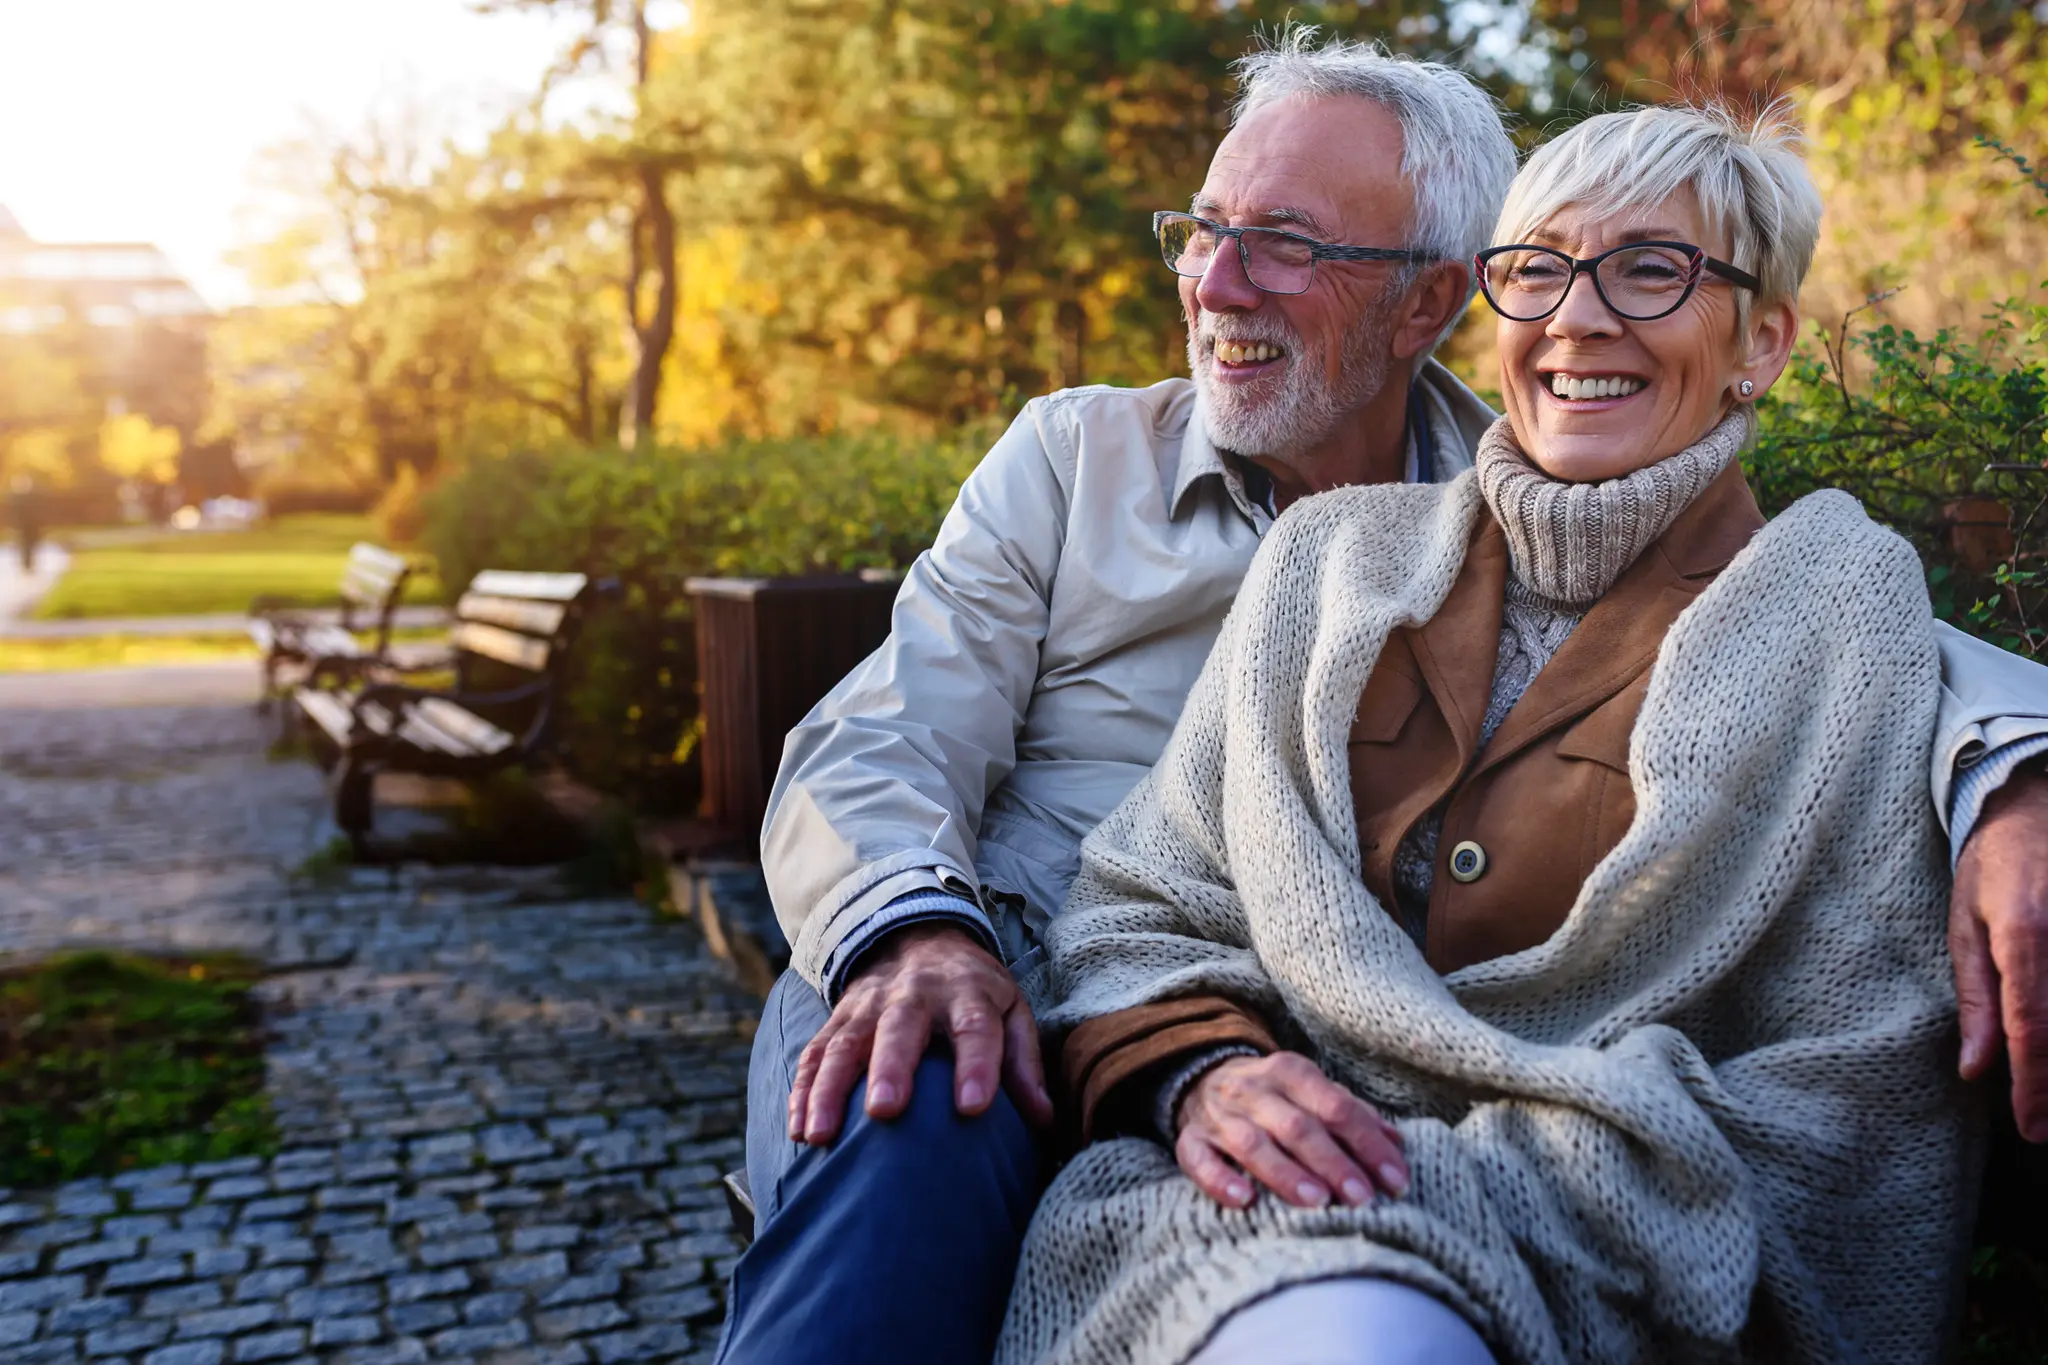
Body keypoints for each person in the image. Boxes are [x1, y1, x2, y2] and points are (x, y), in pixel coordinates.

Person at [717, 31, 2048, 1365]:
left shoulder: (1532, 488)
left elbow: (1837, 624)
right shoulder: (1080, 460)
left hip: (1281, 1079)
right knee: (907, 1109)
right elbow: (885, 734)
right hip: (993, 954)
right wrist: (920, 938)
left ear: (1428, 306)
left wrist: (2017, 768)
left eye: (1285, 244)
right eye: (1205, 232)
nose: (1216, 284)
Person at [1002, 98, 1972, 1365]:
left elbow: (1852, 1070)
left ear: (1762, 340)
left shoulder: (1839, 608)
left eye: (1649, 270)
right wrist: (1205, 1076)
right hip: (1239, 1219)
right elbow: (1144, 899)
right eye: (1535, 272)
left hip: (1614, 1249)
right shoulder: (1328, 560)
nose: (1576, 317)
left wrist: (1449, 1183)